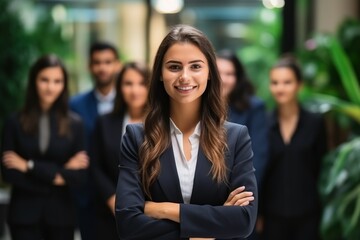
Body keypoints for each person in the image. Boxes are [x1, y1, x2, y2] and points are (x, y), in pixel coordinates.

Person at [115, 24, 257, 240]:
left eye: (195, 66)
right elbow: (128, 223)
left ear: (209, 73)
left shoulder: (236, 137)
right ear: (160, 74)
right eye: (174, 67)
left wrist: (161, 210)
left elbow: (244, 221)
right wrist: (211, 227)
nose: (184, 76)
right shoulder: (136, 137)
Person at [1, 55, 89, 240]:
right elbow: (9, 173)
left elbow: (79, 176)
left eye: (57, 81)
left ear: (64, 84)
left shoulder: (76, 124)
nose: (50, 87)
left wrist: (28, 166)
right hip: (24, 217)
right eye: (44, 80)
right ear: (34, 81)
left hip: (61, 217)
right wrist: (60, 174)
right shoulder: (14, 122)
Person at [260, 55, 327, 240]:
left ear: (299, 85)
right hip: (272, 216)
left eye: (287, 82)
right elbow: (259, 171)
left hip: (308, 214)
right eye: (274, 82)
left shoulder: (315, 123)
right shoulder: (262, 124)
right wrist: (257, 214)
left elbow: (321, 168)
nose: (280, 88)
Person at [91, 61, 150, 240]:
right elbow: (95, 166)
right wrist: (112, 199)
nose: (135, 90)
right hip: (109, 213)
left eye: (142, 84)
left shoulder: (162, 124)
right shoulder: (105, 122)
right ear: (119, 87)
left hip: (151, 213)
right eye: (128, 83)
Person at [70, 41, 121, 240]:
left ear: (117, 65)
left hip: (123, 195)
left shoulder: (132, 102)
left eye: (108, 62)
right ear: (90, 66)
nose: (102, 67)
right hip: (88, 197)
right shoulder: (75, 105)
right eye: (97, 62)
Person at [216, 50, 268, 191]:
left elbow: (258, 156)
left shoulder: (254, 108)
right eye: (218, 72)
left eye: (229, 74)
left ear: (238, 78)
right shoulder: (197, 108)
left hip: (240, 192)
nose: (223, 79)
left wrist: (243, 194)